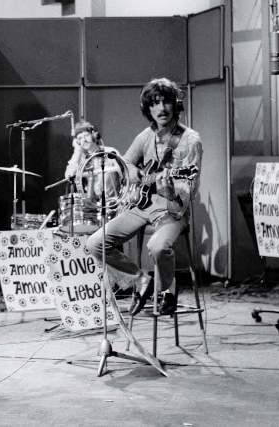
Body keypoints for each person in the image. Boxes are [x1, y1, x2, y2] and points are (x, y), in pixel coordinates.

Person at [86, 77, 202, 316]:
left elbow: (188, 190)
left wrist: (170, 189)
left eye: (166, 101)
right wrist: (132, 171)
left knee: (157, 246)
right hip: (142, 206)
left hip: (172, 209)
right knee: (95, 243)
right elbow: (125, 162)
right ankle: (140, 281)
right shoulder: (145, 136)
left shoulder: (190, 140)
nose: (161, 108)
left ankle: (168, 289)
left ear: (176, 104)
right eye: (155, 103)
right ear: (148, 109)